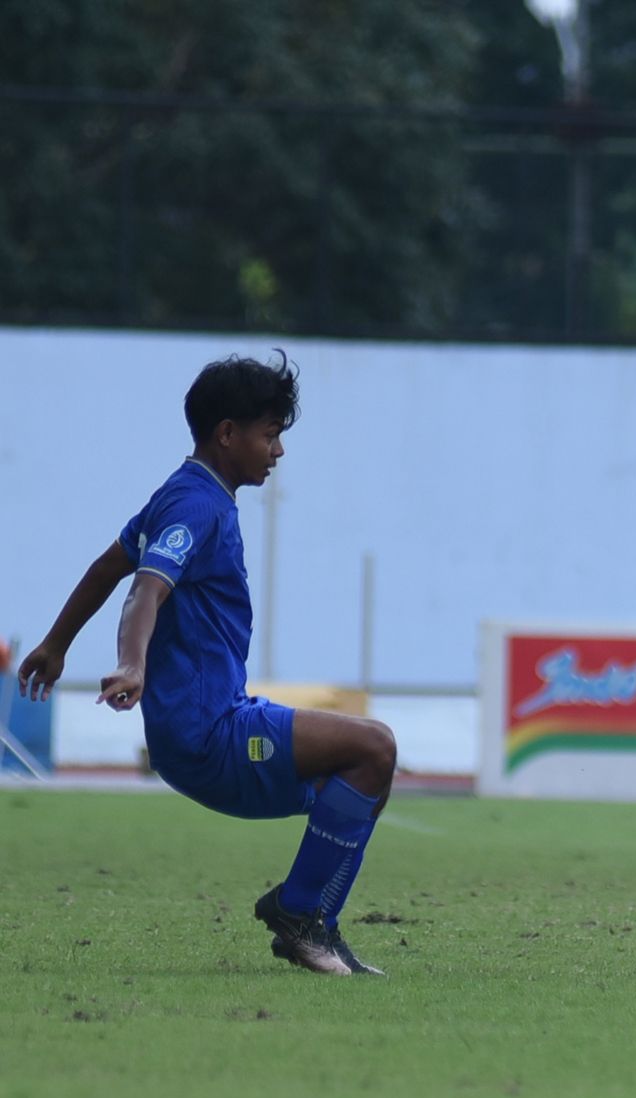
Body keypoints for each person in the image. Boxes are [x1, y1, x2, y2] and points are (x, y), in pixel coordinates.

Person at [15, 352, 399, 977]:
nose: (277, 451)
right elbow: (145, 588)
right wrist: (130, 665)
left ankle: (311, 924)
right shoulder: (196, 506)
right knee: (375, 748)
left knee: (354, 782)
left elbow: (108, 566)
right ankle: (300, 915)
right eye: (270, 434)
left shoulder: (183, 493)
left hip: (207, 726)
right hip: (210, 733)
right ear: (228, 433)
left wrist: (56, 643)